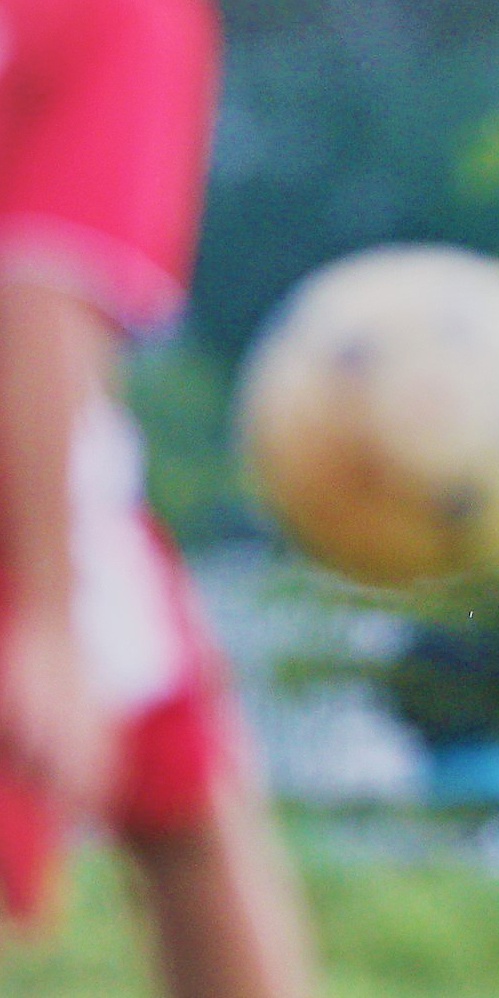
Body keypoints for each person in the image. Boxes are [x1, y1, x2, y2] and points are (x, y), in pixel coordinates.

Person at [0, 0, 313, 994]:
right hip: (32, 469)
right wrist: (49, 615)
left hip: (65, 467)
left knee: (189, 802)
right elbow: (38, 279)